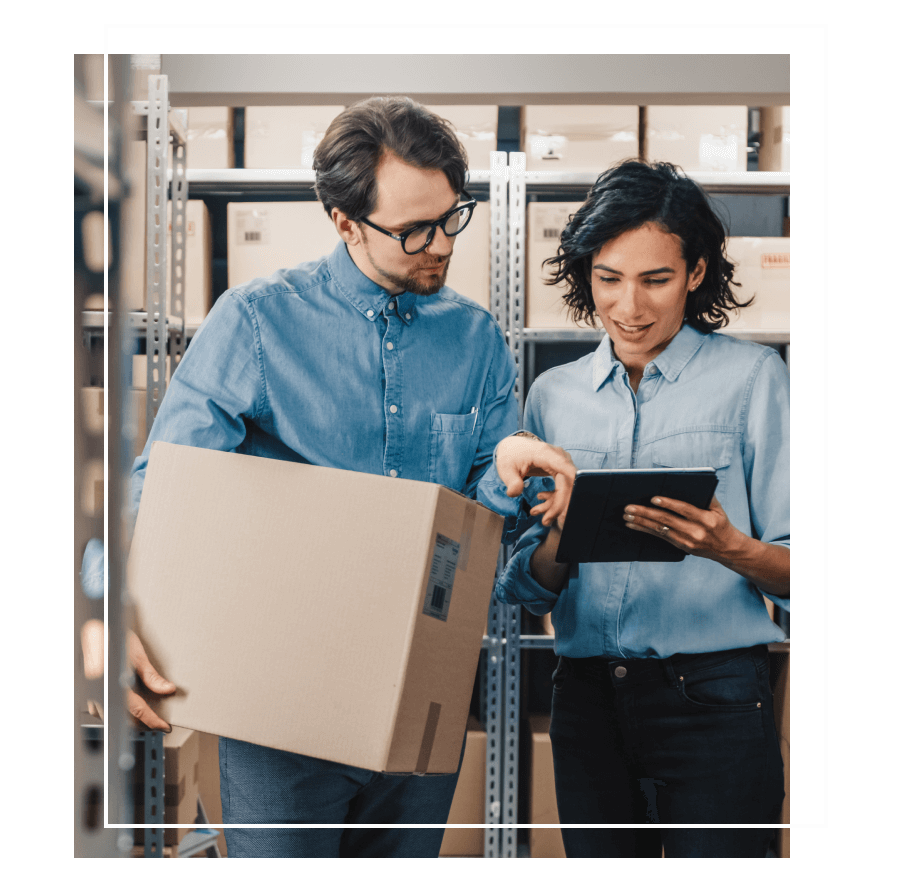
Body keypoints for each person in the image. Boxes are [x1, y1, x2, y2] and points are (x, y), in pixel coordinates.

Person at [98, 96, 575, 858]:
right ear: (342, 219)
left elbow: (485, 502)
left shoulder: (478, 340)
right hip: (282, 706)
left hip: (423, 696)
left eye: (451, 217)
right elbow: (163, 483)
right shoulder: (255, 323)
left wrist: (509, 464)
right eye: (412, 230)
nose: (440, 246)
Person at [478, 159, 790, 858]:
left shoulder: (754, 381)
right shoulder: (552, 396)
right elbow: (525, 589)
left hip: (714, 696)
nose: (629, 307)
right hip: (585, 698)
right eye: (609, 279)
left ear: (698, 273)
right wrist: (559, 532)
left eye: (656, 279)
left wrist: (726, 547)